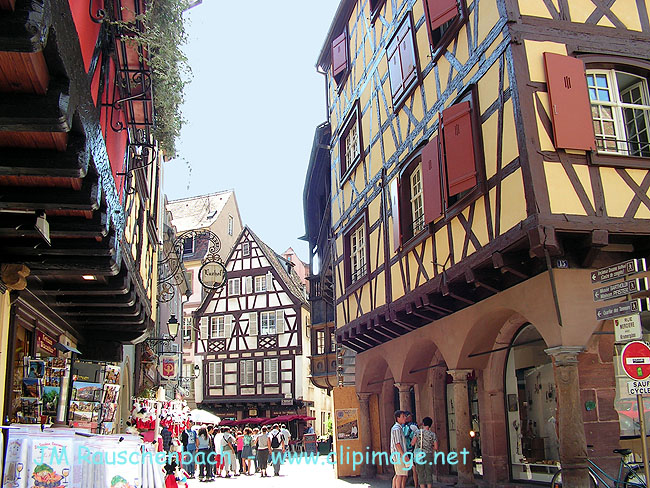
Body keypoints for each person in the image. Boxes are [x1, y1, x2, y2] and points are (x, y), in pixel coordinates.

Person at [411, 417, 438, 488]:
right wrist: (430, 446)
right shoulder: (433, 434)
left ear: (423, 423)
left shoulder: (417, 432)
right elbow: (436, 447)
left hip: (419, 454)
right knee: (429, 473)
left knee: (420, 473)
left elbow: (413, 443)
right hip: (428, 454)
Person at [391, 410, 409, 488]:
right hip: (399, 455)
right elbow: (397, 444)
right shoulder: (396, 429)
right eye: (403, 416)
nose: (405, 418)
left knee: (399, 474)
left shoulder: (399, 428)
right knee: (401, 475)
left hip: (399, 455)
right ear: (397, 418)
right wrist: (404, 455)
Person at [403, 412, 418, 487]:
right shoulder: (413, 426)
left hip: (404, 450)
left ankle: (403, 485)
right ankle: (416, 484)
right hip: (412, 449)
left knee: (405, 469)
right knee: (414, 468)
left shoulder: (401, 427)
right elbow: (418, 435)